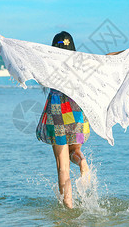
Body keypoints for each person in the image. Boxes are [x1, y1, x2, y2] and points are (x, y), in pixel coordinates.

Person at [35, 31, 123, 209]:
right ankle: (82, 162)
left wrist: (3, 42)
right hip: (76, 113)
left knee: (62, 166)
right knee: (74, 151)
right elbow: (106, 59)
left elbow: (24, 56)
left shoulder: (48, 65)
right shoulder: (81, 63)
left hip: (57, 115)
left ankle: (68, 206)